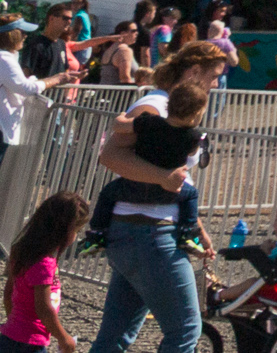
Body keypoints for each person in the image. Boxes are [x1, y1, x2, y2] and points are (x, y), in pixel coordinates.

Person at [84, 40, 232, 353]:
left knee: (114, 338)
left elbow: (178, 179)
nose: (217, 82)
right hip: (150, 235)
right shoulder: (154, 106)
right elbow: (110, 155)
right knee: (184, 333)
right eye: (214, 75)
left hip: (137, 233)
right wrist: (163, 178)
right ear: (193, 72)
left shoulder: (172, 108)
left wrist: (198, 229)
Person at [6, 190, 84, 353]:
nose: (76, 236)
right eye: (77, 230)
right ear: (64, 231)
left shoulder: (22, 252)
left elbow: (8, 292)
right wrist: (64, 337)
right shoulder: (44, 263)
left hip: (10, 337)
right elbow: (43, 308)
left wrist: (13, 324)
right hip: (30, 344)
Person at [0, 23, 80, 159]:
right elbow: (26, 88)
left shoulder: (8, 57)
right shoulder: (4, 58)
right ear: (10, 35)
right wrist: (54, 80)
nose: (25, 36)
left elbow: (19, 84)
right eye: (22, 32)